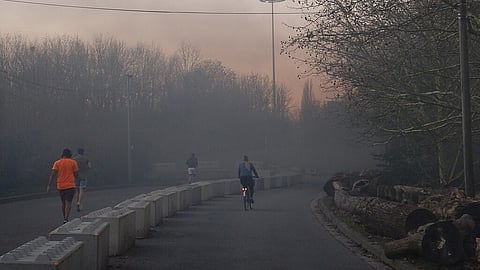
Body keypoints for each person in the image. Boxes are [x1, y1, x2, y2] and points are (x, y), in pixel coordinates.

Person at [47, 148, 79, 224]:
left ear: (62, 154)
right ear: (69, 155)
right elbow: (76, 174)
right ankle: (66, 218)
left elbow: (52, 175)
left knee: (63, 203)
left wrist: (49, 185)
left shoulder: (57, 163)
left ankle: (64, 217)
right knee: (68, 202)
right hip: (70, 185)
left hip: (60, 186)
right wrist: (78, 179)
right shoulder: (73, 162)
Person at [72, 148, 92, 212]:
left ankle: (77, 201)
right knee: (81, 190)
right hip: (83, 176)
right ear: (83, 152)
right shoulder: (86, 159)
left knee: (77, 190)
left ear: (77, 152)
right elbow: (89, 166)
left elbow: (72, 167)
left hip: (76, 176)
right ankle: (79, 202)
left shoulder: (74, 159)